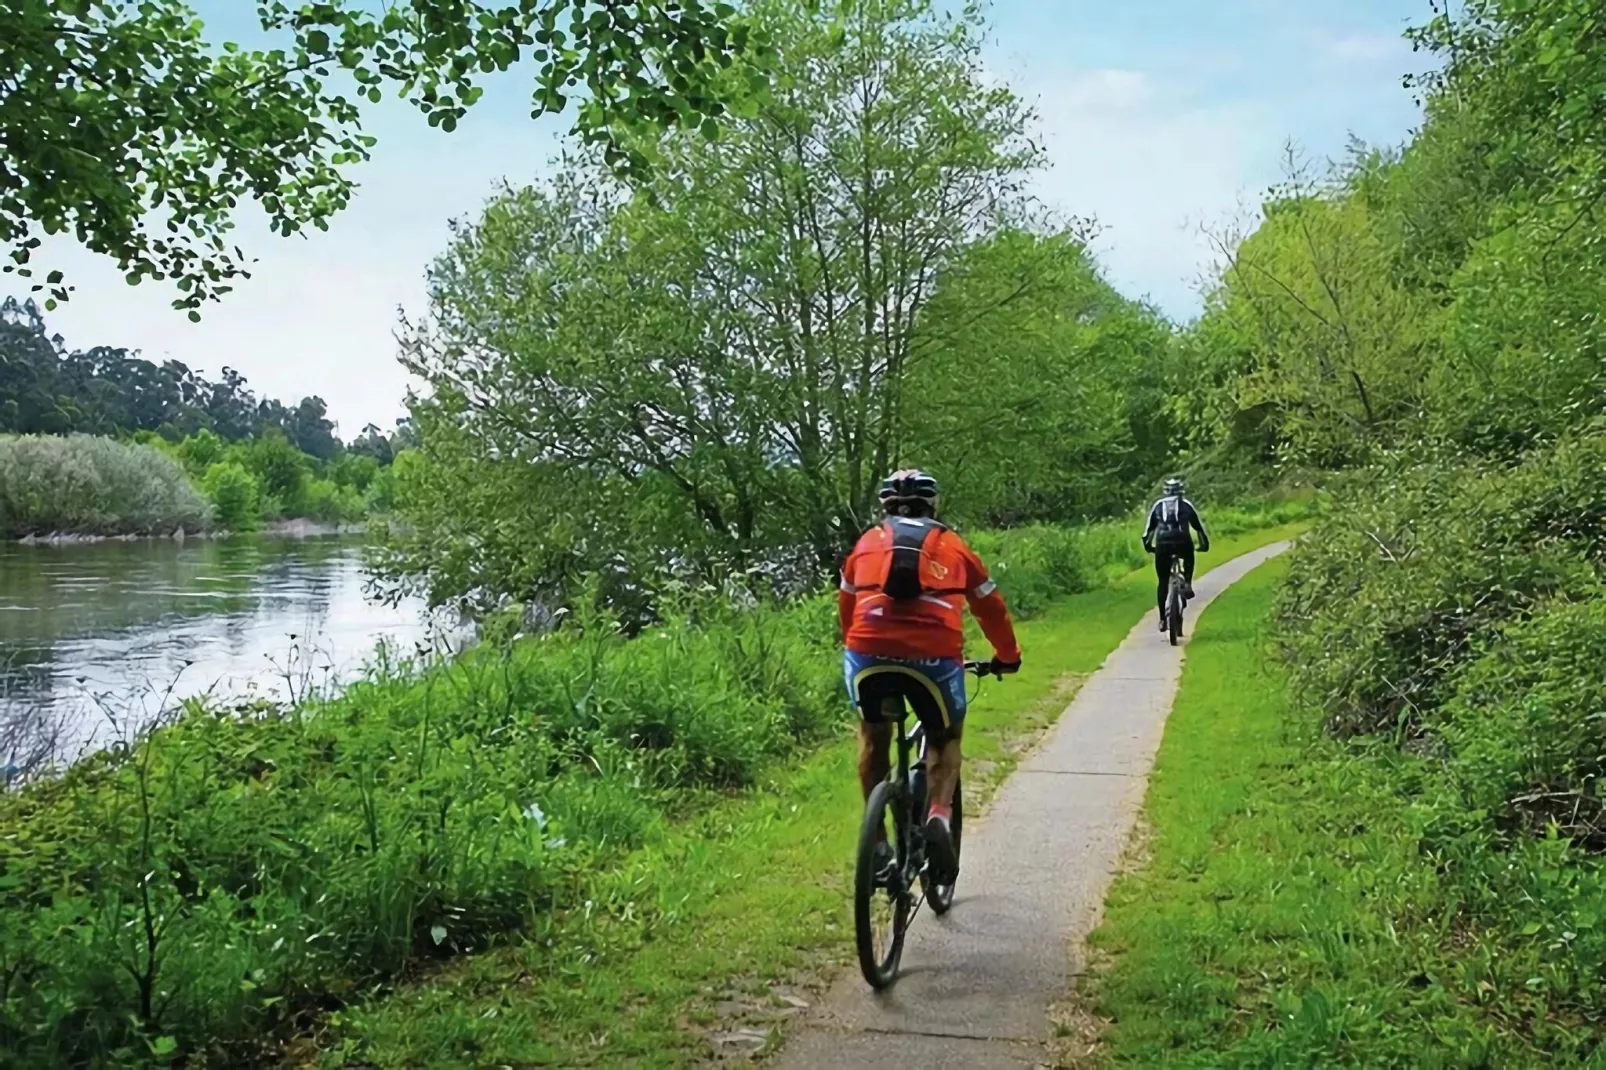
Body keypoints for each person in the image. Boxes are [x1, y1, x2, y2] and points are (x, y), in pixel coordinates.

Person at [838, 469, 1021, 880]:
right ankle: (939, 816)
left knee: (872, 734)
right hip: (934, 655)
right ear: (932, 505)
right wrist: (1007, 655)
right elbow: (990, 606)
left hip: (868, 652)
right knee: (946, 736)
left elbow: (847, 609)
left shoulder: (866, 543)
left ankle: (880, 843)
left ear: (886, 506)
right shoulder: (954, 545)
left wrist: (858, 645)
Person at [1141, 476, 1210, 630]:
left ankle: (1162, 620)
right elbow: (1199, 528)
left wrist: (1149, 547)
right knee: (1189, 555)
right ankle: (1187, 582)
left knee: (1163, 582)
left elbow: (1147, 533)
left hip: (1163, 544)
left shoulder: (1158, 506)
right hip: (1182, 541)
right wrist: (1204, 545)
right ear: (1181, 492)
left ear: (1165, 492)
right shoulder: (1186, 505)